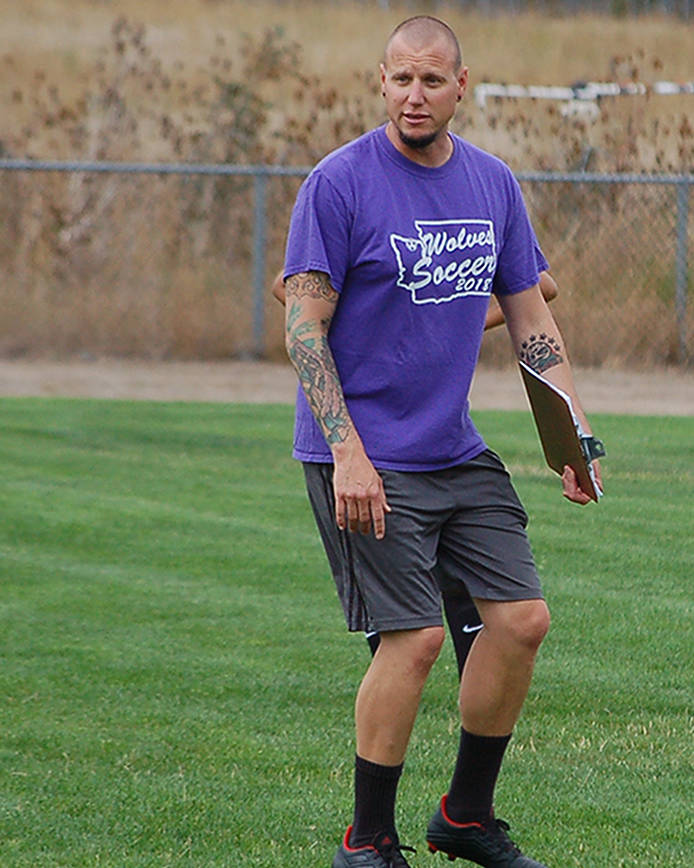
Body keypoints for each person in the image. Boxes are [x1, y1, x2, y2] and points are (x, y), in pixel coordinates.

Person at [281, 16, 600, 868]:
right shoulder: (339, 184)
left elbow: (532, 313)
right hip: (364, 453)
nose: (413, 96)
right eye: (399, 80)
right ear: (378, 82)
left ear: (464, 85)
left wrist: (570, 432)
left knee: (521, 621)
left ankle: (464, 817)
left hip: (452, 449)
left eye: (430, 81)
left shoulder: (493, 185)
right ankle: (367, 839)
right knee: (417, 637)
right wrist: (346, 452)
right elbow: (304, 331)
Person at [270, 266, 559, 677]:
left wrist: (450, 324)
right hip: (369, 430)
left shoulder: (479, 208)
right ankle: (392, 648)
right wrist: (380, 325)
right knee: (400, 592)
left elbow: (541, 287)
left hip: (438, 431)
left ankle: (444, 660)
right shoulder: (353, 207)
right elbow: (289, 288)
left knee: (464, 574)